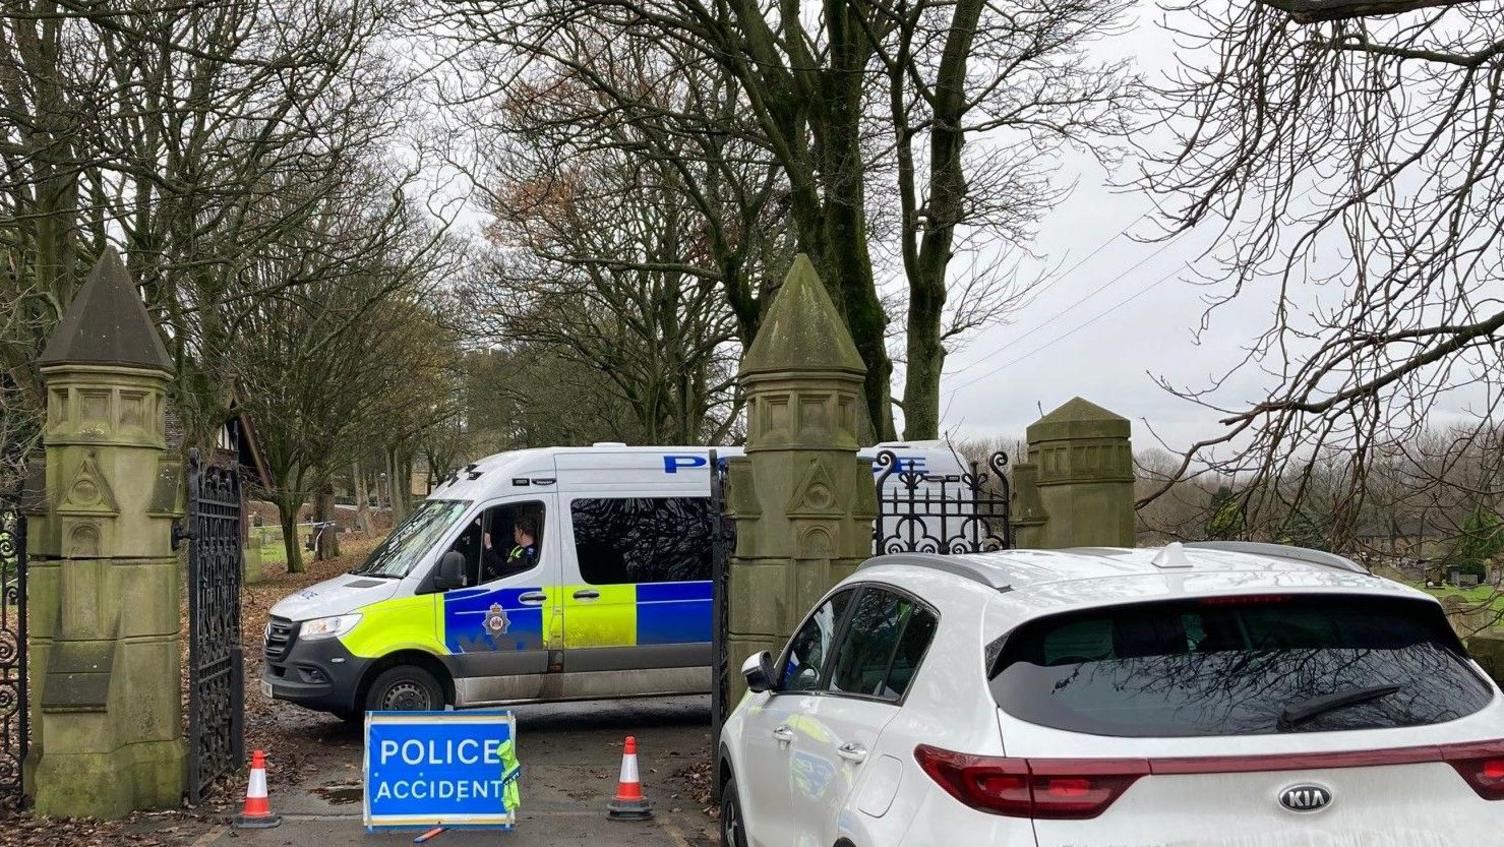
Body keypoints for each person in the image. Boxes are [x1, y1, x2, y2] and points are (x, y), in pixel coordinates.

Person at [482, 513, 539, 582]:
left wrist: (489, 547)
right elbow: (505, 564)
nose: (514, 533)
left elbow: (506, 570)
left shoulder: (530, 555)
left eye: (515, 530)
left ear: (521, 532)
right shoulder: (518, 547)